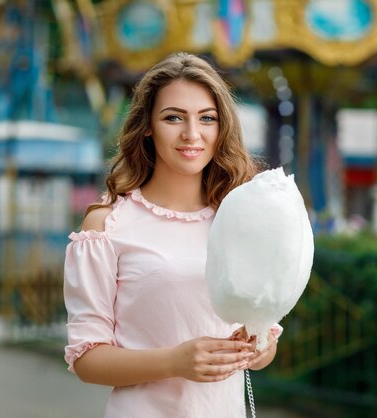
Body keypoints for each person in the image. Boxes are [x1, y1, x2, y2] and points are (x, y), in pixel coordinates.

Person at [63, 52, 281, 418]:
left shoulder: (238, 222)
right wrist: (174, 361)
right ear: (148, 125)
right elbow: (87, 359)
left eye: (207, 118)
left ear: (221, 127)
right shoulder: (107, 226)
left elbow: (267, 342)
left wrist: (256, 349)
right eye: (173, 117)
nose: (191, 134)